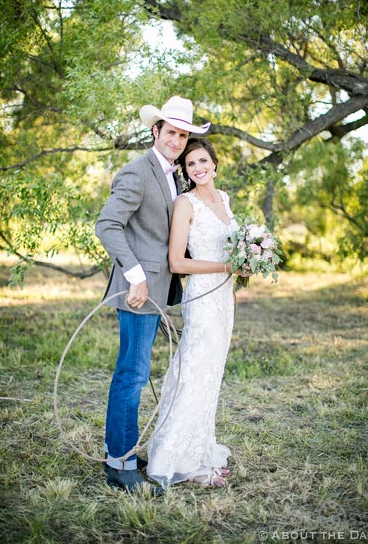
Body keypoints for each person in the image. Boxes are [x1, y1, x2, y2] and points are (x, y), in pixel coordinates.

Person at [95, 96, 211, 495]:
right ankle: (119, 464)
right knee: (131, 376)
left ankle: (123, 450)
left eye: (183, 135)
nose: (178, 141)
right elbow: (107, 224)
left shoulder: (171, 174)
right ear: (155, 132)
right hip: (138, 293)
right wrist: (135, 275)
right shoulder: (137, 171)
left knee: (138, 374)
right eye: (172, 132)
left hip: (158, 291)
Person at [147, 137, 238, 488]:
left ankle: (201, 450)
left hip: (224, 298)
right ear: (185, 171)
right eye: (190, 165)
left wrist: (242, 265)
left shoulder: (224, 199)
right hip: (201, 297)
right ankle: (181, 460)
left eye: (203, 161)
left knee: (212, 373)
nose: (198, 168)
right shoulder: (185, 204)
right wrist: (225, 265)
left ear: (214, 163)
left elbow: (230, 249)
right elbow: (177, 261)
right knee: (195, 372)